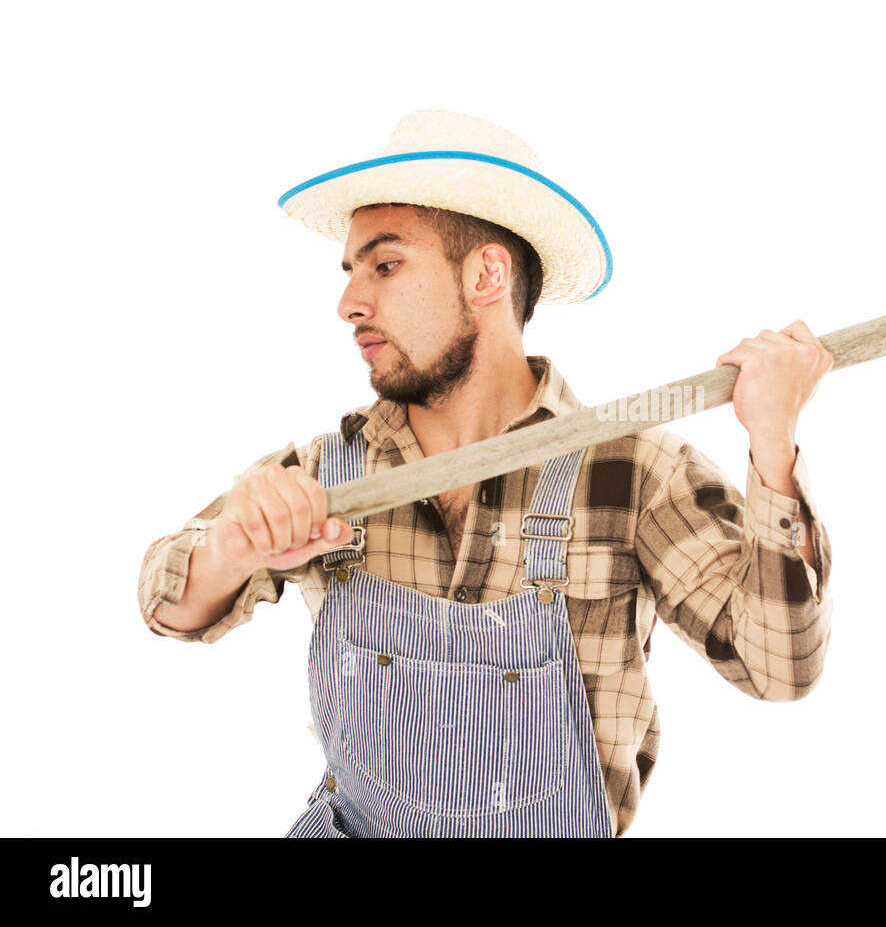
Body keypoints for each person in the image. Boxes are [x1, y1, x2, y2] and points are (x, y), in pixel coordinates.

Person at [137, 110, 834, 837]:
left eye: (385, 265)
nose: (349, 304)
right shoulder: (327, 473)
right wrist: (231, 550)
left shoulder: (632, 474)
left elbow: (780, 666)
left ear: (487, 274)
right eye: (351, 273)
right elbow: (163, 599)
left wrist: (773, 445)